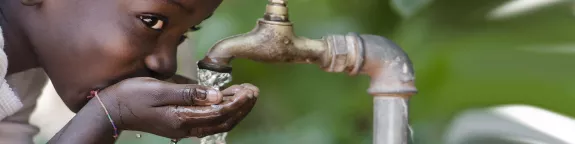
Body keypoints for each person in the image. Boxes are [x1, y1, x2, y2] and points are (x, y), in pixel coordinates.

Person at [0, 0, 259, 143]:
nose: (166, 65)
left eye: (183, 35)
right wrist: (109, 114)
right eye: (152, 21)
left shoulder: (18, 79)